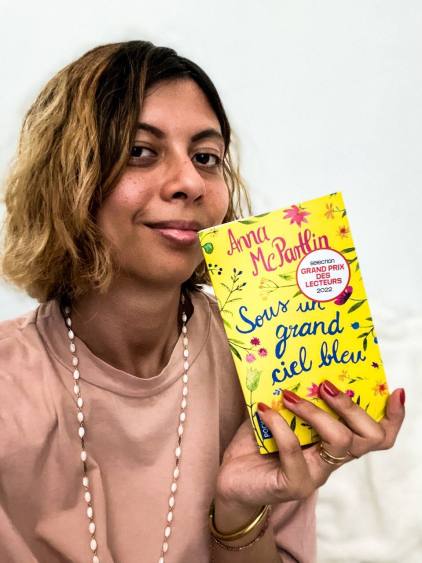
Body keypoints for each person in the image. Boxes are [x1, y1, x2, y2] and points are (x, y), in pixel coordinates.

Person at [0, 41, 405, 563]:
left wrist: (238, 511)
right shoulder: (10, 384)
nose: (190, 183)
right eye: (140, 151)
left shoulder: (268, 353)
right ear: (67, 178)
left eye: (206, 158)